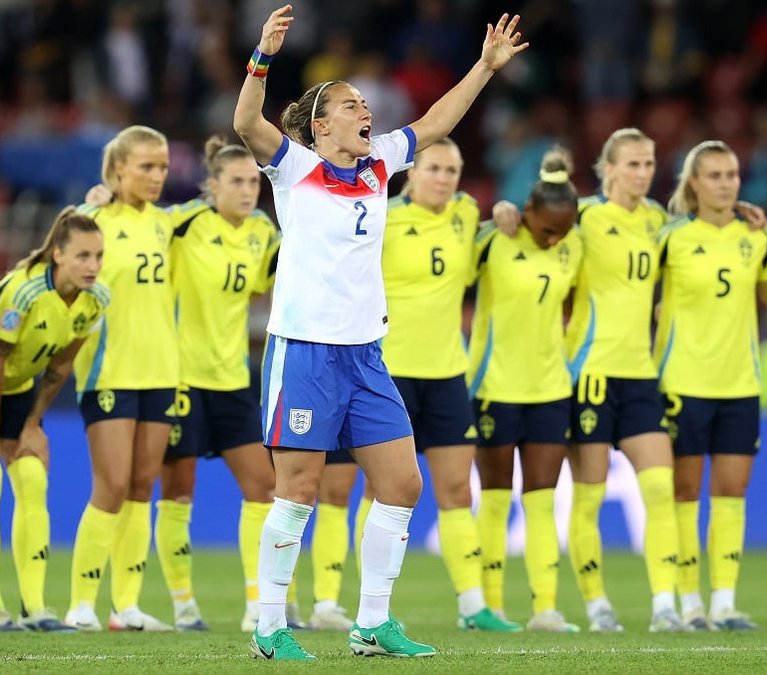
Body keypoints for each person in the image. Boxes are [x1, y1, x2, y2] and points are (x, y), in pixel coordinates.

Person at [232, 4, 527, 660]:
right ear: (320, 125)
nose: (366, 111)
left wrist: (484, 67)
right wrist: (263, 56)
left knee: (402, 484)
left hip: (365, 355)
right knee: (299, 491)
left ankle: (371, 623)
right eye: (351, 104)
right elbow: (246, 122)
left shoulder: (379, 164)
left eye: (367, 103)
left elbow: (438, 121)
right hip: (304, 351)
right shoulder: (293, 167)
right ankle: (270, 627)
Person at [312, 139, 523, 633]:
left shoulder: (465, 214)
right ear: (411, 173)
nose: (443, 179)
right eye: (434, 169)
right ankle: (338, 603)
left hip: (447, 374)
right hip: (386, 372)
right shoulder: (383, 216)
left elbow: (491, 232)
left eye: (452, 170)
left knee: (456, 491)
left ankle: (472, 605)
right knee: (365, 489)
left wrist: (503, 212)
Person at [0, 208, 108, 633]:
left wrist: (32, 424)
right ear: (58, 255)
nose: (93, 266)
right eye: (83, 256)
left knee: (32, 480)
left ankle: (35, 608)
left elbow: (60, 366)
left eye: (98, 256)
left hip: (16, 386)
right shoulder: (25, 292)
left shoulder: (95, 301)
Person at [657, 140, 767, 631]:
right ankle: (689, 602)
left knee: (732, 491)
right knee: (685, 492)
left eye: (732, 174)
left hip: (740, 383)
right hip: (683, 381)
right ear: (694, 183)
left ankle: (724, 602)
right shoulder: (670, 237)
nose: (725, 183)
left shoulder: (757, 238)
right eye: (714, 175)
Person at [154, 138, 283, 632]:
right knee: (178, 490)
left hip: (232, 379)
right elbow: (137, 231)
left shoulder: (262, 232)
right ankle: (184, 605)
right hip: (180, 378)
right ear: (212, 186)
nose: (248, 190)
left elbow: (265, 284)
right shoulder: (184, 223)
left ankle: (257, 605)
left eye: (253, 181)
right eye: (237, 181)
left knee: (263, 488)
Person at [563, 128, 682, 633]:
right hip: (590, 373)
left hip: (640, 375)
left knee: (660, 488)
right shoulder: (583, 216)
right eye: (632, 164)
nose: (643, 172)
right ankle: (597, 606)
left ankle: (665, 606)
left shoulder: (658, 221)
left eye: (649, 163)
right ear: (608, 168)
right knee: (588, 496)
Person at [66, 125, 181, 632]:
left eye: (163, 167)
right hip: (108, 369)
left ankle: (126, 606)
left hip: (161, 369)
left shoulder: (165, 224)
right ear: (117, 170)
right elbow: (54, 264)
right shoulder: (90, 221)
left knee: (139, 486)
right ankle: (80, 604)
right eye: (146, 167)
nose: (157, 176)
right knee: (110, 485)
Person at [470, 149, 583, 633]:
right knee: (495, 499)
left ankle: (546, 609)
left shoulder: (574, 245)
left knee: (541, 499)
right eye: (547, 229)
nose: (554, 238)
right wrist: (495, 211)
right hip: (494, 388)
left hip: (550, 389)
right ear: (527, 210)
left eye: (563, 231)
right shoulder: (495, 239)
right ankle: (490, 608)